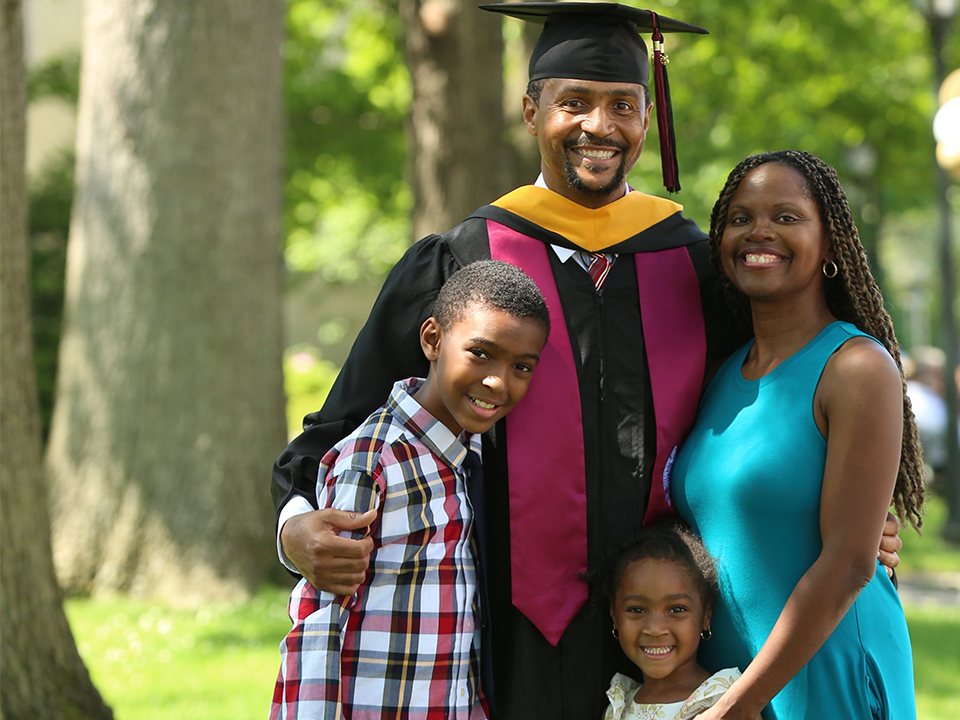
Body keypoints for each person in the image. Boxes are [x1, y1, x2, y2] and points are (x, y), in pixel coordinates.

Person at [268, 4, 906, 717]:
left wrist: (856, 524)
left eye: (623, 105)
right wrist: (296, 531)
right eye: (574, 102)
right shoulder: (460, 261)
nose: (599, 126)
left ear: (648, 120)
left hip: (665, 645)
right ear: (531, 112)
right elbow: (334, 436)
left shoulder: (698, 269)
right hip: (502, 643)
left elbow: (773, 416)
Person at [670, 150, 926, 720]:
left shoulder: (856, 367)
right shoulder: (724, 372)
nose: (759, 231)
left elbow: (850, 564)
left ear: (830, 244)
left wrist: (737, 706)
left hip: (821, 674)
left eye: (786, 217)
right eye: (740, 218)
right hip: (731, 681)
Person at [270, 261, 550, 719]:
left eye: (521, 366)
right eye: (480, 353)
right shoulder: (373, 461)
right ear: (432, 340)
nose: (498, 380)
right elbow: (320, 625)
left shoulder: (469, 459)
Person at [593, 521, 755, 720]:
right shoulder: (617, 707)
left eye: (676, 609)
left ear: (706, 616)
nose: (655, 629)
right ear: (614, 616)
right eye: (637, 610)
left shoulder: (724, 700)